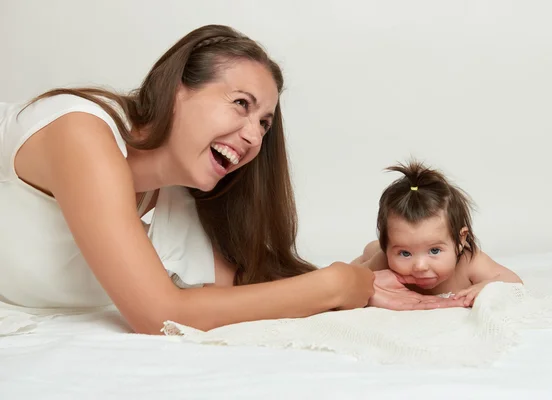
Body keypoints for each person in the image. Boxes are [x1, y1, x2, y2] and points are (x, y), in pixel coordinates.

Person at [0, 25, 460, 335]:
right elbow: (158, 315)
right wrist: (336, 285)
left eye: (264, 123)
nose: (253, 136)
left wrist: (367, 273)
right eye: (241, 104)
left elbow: (239, 296)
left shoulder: (178, 198)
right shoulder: (80, 132)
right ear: (177, 88)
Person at [353, 160, 523, 309]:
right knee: (369, 253)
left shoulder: (469, 261)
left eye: (434, 250)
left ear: (460, 240)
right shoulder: (383, 261)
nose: (420, 266)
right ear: (387, 246)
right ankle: (372, 248)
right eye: (405, 253)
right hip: (376, 251)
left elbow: (514, 282)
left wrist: (487, 286)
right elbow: (350, 280)